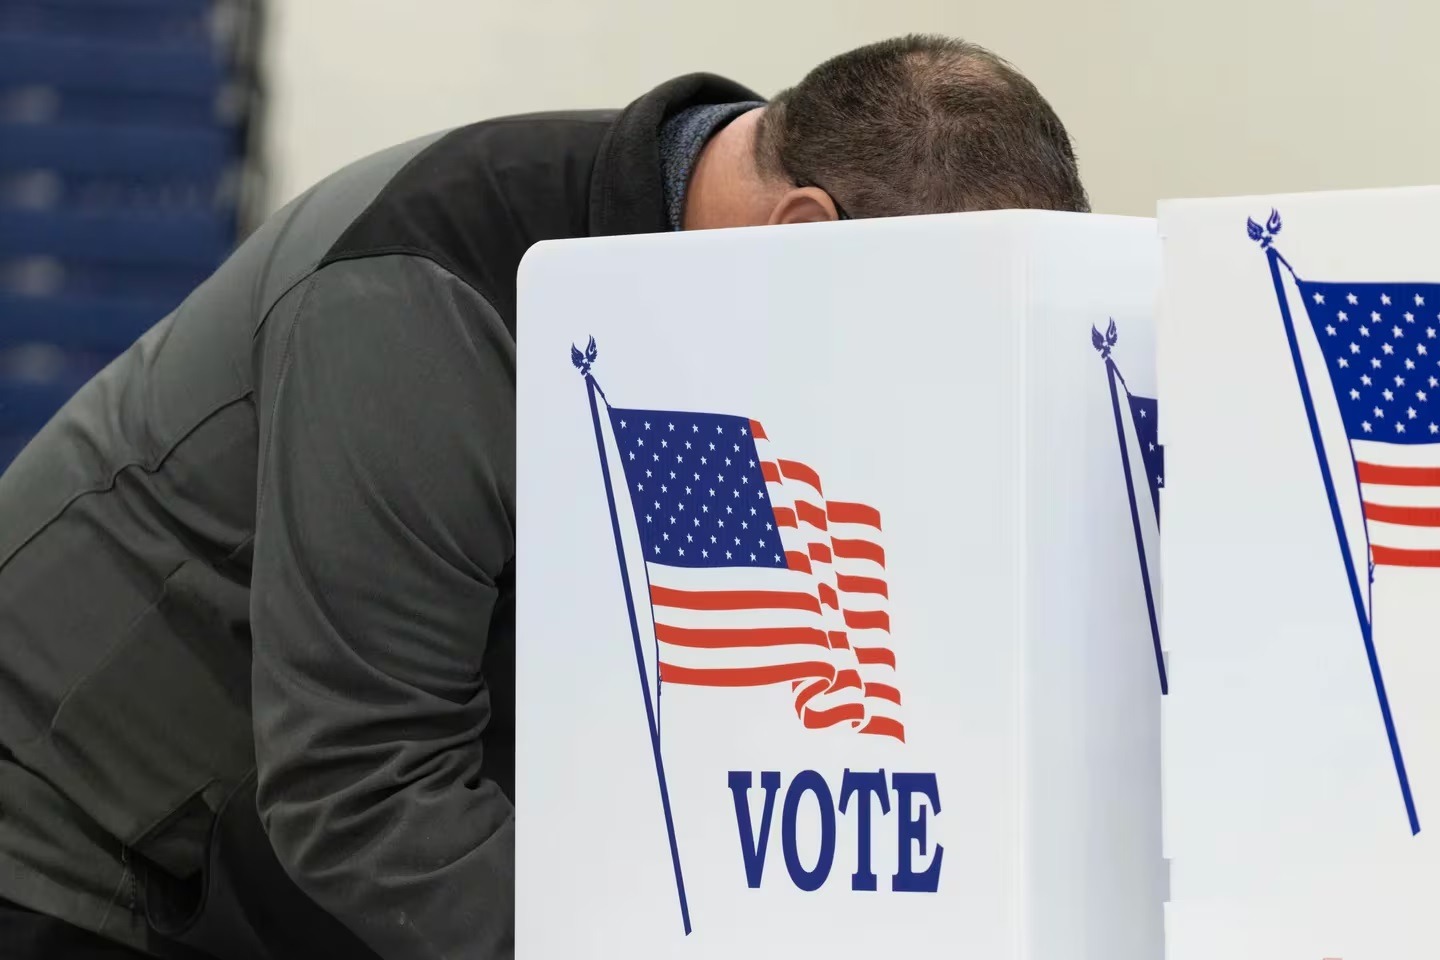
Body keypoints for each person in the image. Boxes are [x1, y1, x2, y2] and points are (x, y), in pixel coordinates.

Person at [0, 34, 1088, 960]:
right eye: (921, 340)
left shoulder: (711, 286)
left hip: (282, 836)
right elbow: (364, 788)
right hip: (77, 834)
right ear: (801, 233)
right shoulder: (427, 302)